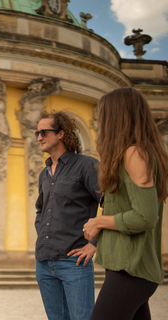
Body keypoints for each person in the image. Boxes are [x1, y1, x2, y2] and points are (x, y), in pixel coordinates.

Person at [83, 87, 168, 320]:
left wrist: (99, 221)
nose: (101, 123)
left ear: (117, 117)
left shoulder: (135, 154)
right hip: (128, 269)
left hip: (131, 269)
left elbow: (145, 216)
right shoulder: (136, 153)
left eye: (104, 115)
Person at [35, 110, 102, 320]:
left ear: (61, 134)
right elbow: (40, 209)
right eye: (37, 133)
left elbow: (110, 203)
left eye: (44, 132)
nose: (39, 138)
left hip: (75, 263)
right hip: (44, 262)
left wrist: (95, 243)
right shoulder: (44, 173)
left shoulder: (86, 166)